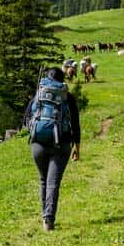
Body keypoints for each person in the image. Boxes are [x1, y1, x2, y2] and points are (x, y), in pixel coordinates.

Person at [24, 67, 81, 231]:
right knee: (53, 182)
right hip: (61, 144)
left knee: (44, 180)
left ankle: (45, 217)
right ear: (62, 80)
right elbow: (75, 124)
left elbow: (26, 119)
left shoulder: (39, 94)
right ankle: (48, 220)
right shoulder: (67, 97)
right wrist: (77, 147)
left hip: (38, 144)